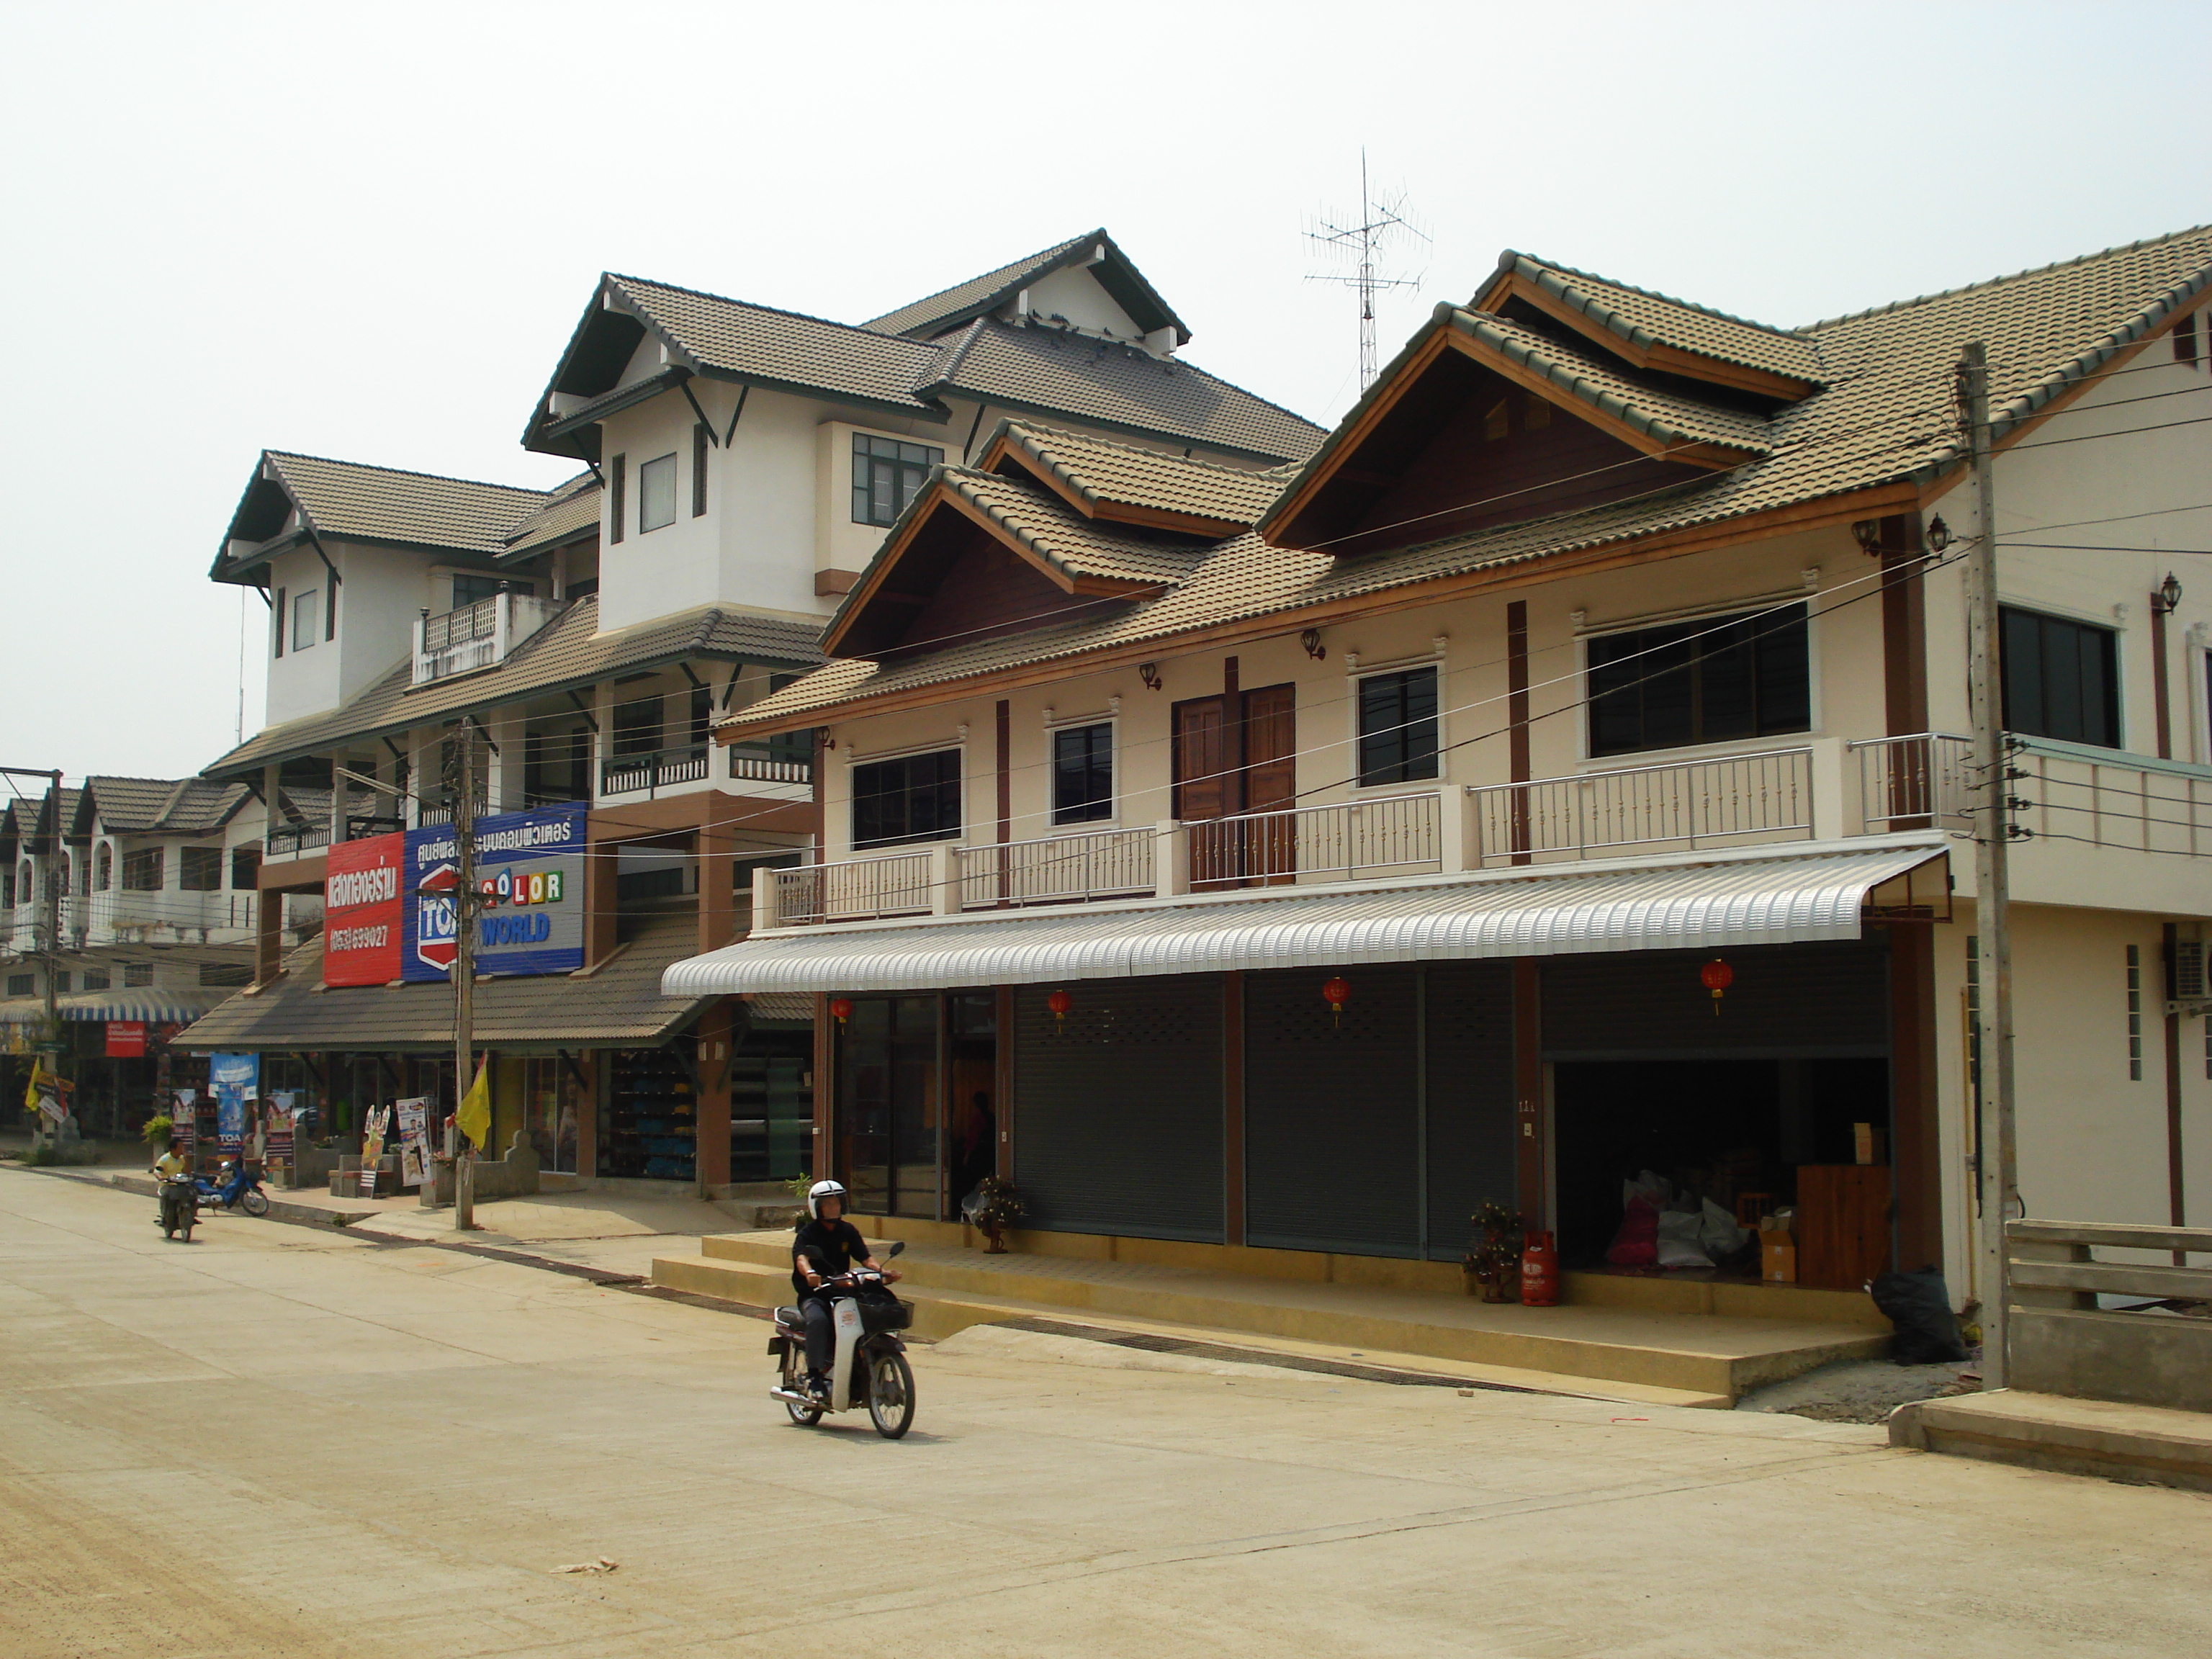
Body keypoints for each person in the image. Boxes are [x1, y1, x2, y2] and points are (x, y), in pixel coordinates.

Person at [790, 1179, 899, 1402]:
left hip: (843, 1292)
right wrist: (810, 1273)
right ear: (817, 1207)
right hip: (815, 1294)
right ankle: (814, 1377)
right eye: (828, 1204)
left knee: (870, 1315)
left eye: (836, 1203)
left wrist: (882, 1272)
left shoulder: (847, 1230)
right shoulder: (808, 1234)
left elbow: (865, 1257)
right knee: (819, 1321)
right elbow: (801, 1257)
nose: (833, 1208)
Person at [150, 1136, 192, 1234]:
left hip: (181, 1186)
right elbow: (157, 1170)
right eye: (180, 1147)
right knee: (166, 1198)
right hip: (168, 1186)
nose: (183, 1150)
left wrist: (187, 1161)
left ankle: (190, 1215)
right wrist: (160, 1177)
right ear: (173, 1149)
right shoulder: (165, 1159)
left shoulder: (182, 1159)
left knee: (192, 1194)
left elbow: (188, 1172)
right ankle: (165, 1218)